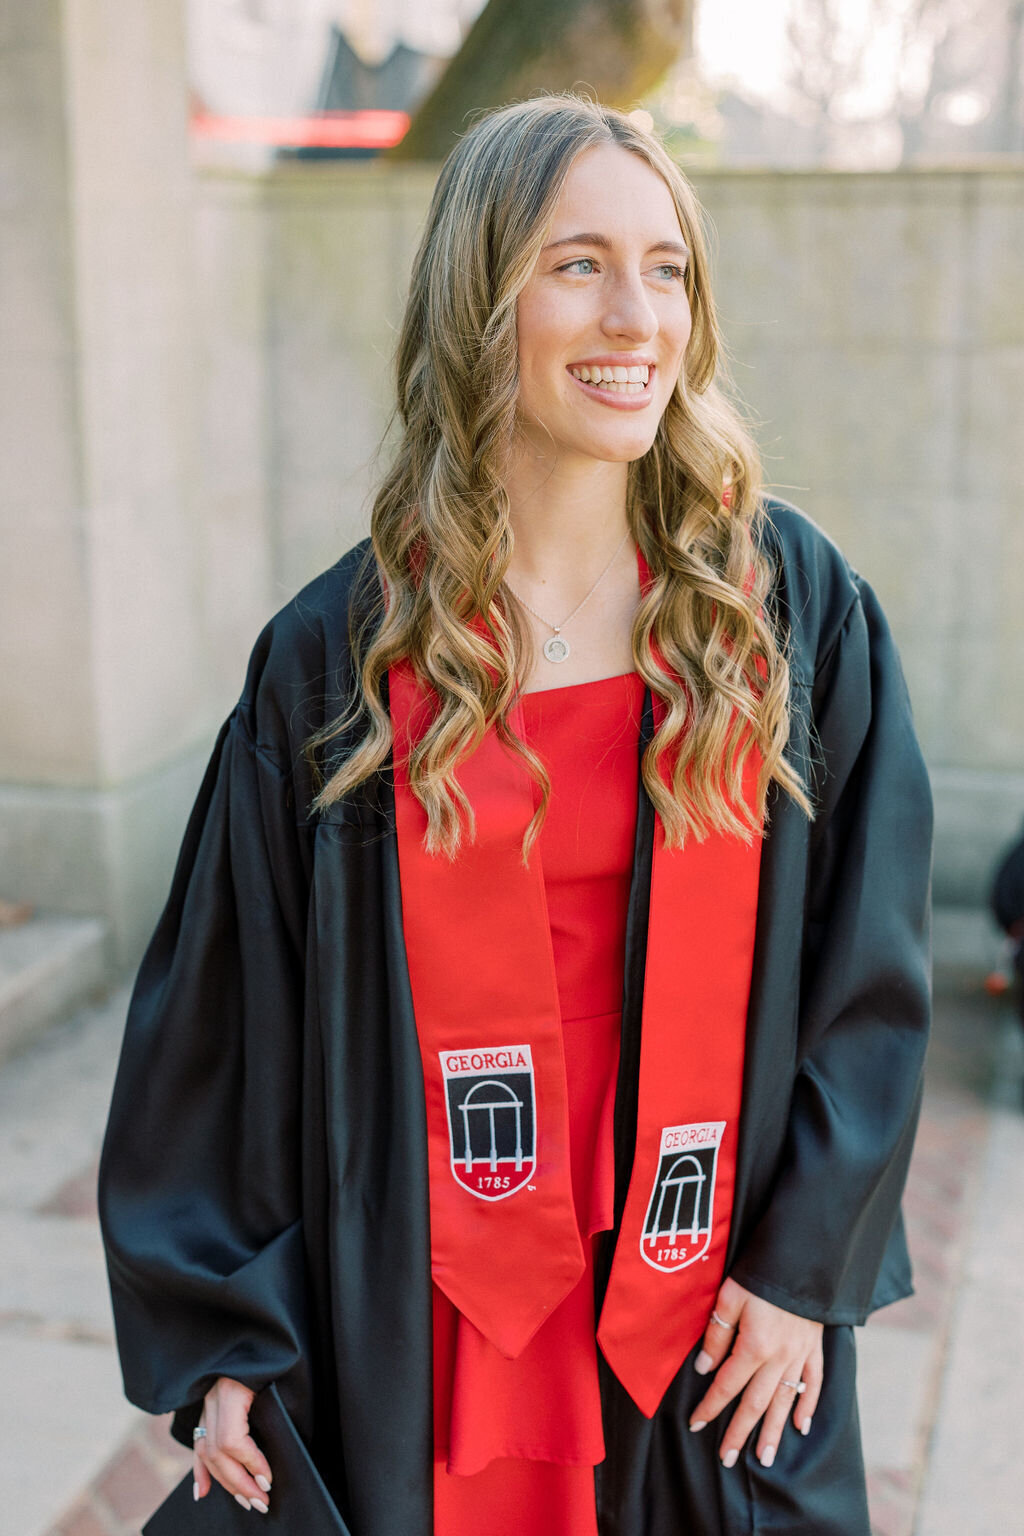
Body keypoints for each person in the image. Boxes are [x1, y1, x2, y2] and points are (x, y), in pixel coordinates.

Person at [98, 95, 933, 1536]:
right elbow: (226, 1021)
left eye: (667, 268)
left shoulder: (780, 615)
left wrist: (807, 1269)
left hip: (701, 1284)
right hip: (431, 1297)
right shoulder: (341, 657)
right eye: (577, 264)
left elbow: (870, 972)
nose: (636, 317)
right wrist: (230, 1337)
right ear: (480, 298)